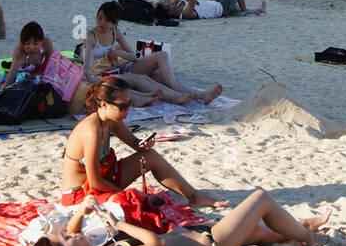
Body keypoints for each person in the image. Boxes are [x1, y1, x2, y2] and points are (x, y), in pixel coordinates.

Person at [26, 180, 331, 246]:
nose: (73, 234)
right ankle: (313, 240)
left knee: (261, 233)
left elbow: (71, 231)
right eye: (67, 239)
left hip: (198, 235)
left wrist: (83, 211)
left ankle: (303, 227)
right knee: (260, 199)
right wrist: (116, 225)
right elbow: (155, 245)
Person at [59, 76, 229, 209]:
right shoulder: (91, 131)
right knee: (134, 206)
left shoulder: (112, 121)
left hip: (102, 180)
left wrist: (144, 144)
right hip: (80, 193)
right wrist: (131, 196)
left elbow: (136, 144)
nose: (128, 110)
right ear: (103, 104)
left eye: (129, 104)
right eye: (123, 106)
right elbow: (94, 181)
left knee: (150, 156)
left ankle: (194, 196)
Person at [79, 1, 223, 105]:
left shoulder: (115, 32)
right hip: (102, 72)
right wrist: (91, 77)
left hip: (121, 66)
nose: (102, 23)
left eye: (107, 20)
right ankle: (175, 96)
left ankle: (199, 94)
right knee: (143, 79)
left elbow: (133, 57)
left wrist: (118, 53)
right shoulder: (90, 35)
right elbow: (87, 65)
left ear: (115, 22)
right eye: (99, 18)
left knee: (162, 58)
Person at [2, 20, 54, 87]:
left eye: (36, 44)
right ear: (22, 43)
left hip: (42, 70)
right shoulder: (19, 53)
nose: (31, 47)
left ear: (41, 41)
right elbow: (9, 81)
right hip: (26, 71)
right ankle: (11, 64)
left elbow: (52, 65)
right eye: (27, 43)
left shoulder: (46, 44)